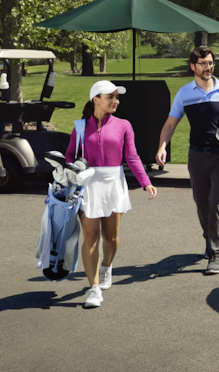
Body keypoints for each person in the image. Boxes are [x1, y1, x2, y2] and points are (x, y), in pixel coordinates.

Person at [66, 80, 158, 309]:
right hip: (88, 185)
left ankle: (106, 267)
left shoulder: (124, 125)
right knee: (90, 236)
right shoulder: (79, 127)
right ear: (96, 99)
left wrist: (145, 182)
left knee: (111, 237)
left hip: (114, 183)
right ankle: (94, 288)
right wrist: (71, 173)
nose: (116, 101)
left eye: (117, 97)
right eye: (111, 97)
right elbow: (69, 156)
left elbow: (133, 157)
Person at [155, 46, 219, 276]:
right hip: (196, 156)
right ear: (193, 66)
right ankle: (209, 238)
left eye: (210, 62)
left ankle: (215, 254)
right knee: (201, 203)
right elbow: (170, 124)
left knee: (217, 201)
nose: (208, 67)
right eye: (203, 63)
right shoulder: (185, 93)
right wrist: (162, 147)